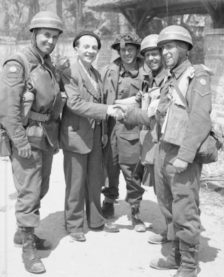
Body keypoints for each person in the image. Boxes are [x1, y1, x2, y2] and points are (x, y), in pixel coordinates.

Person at [149, 25, 213, 277]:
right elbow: (161, 112)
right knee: (167, 205)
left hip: (183, 153)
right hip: (165, 149)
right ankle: (175, 255)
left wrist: (185, 157)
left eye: (171, 46)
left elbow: (200, 120)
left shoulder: (196, 76)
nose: (165, 52)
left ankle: (188, 266)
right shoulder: (169, 78)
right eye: (163, 47)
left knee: (185, 209)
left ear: (186, 48)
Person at [0, 11, 64, 274]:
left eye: (54, 36)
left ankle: (23, 232)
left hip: (45, 135)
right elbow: (8, 108)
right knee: (28, 193)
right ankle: (28, 249)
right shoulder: (18, 63)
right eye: (46, 35)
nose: (50, 40)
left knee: (41, 189)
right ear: (34, 34)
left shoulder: (45, 64)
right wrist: (19, 140)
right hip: (27, 137)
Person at [60, 31, 122, 242]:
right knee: (76, 183)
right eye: (85, 46)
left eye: (94, 48)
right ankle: (74, 224)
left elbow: (100, 102)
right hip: (75, 134)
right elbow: (75, 103)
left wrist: (104, 132)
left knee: (95, 180)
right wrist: (107, 110)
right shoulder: (69, 72)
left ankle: (96, 220)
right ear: (76, 48)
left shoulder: (95, 74)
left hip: (96, 135)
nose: (90, 51)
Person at [121, 34, 169, 244]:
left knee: (167, 187)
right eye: (148, 55)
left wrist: (128, 115)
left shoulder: (169, 78)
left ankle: (175, 232)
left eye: (155, 54)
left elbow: (156, 114)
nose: (151, 58)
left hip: (166, 140)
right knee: (150, 181)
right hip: (149, 138)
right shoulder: (150, 79)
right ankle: (169, 228)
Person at [101, 32, 147, 232]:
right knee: (110, 168)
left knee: (132, 171)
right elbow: (102, 99)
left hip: (132, 129)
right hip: (111, 128)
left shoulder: (146, 72)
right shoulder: (109, 70)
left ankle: (135, 211)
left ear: (137, 50)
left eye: (130, 49)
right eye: (123, 49)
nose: (127, 53)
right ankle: (109, 200)